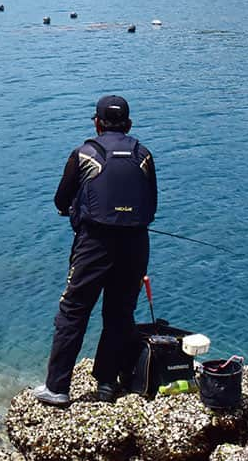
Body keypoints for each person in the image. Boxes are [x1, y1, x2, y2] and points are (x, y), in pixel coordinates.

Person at [34, 94, 157, 407]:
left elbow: (61, 201)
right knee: (119, 314)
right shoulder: (143, 155)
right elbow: (152, 207)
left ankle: (58, 387)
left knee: (74, 311)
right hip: (135, 244)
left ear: (97, 123)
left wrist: (77, 209)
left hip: (94, 244)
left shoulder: (84, 154)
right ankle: (106, 382)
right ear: (128, 124)